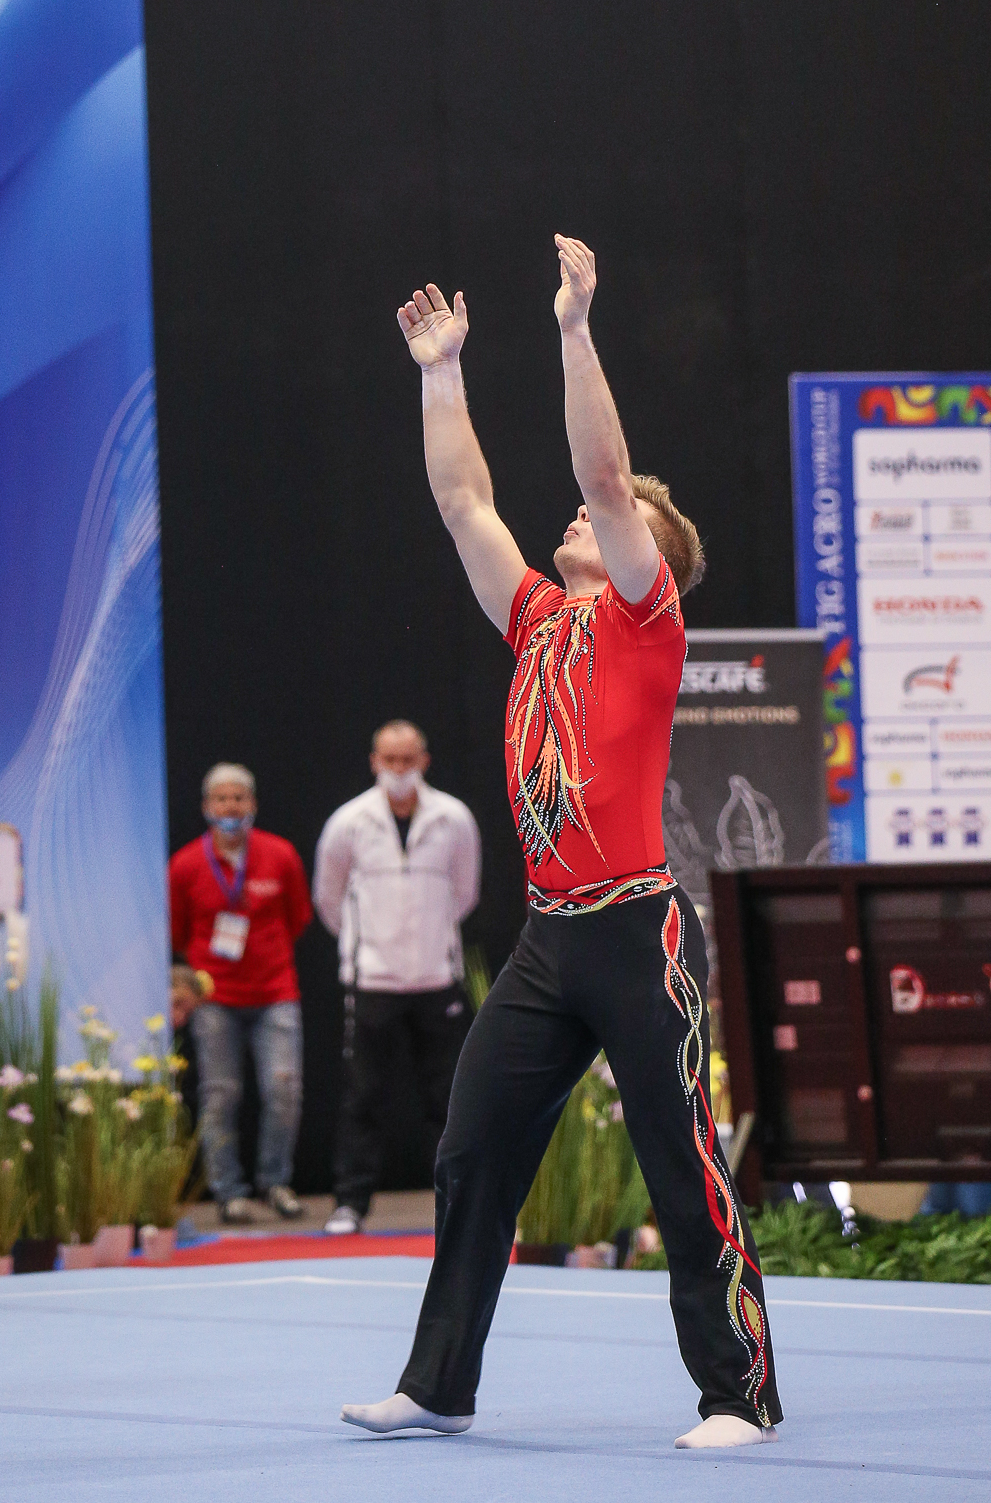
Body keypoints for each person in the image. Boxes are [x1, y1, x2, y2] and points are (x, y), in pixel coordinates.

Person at [340, 237, 782, 1448]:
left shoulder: (645, 618)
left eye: (611, 518)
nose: (580, 515)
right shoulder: (537, 617)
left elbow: (604, 472)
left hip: (638, 931)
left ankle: (737, 1392)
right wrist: (442, 375)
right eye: (588, 517)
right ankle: (439, 1385)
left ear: (652, 555)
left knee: (678, 1161)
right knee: (472, 1150)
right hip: (548, 941)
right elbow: (462, 503)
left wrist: (575, 330)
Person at [314, 721, 482, 1237]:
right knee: (362, 1097)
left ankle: (456, 1203)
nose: (399, 769)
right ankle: (350, 1203)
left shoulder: (453, 818)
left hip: (437, 979)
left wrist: (433, 941)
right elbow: (329, 897)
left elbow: (465, 893)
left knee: (448, 1099)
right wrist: (367, 946)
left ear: (424, 761)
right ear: (374, 762)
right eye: (390, 760)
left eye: (408, 760)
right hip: (374, 981)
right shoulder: (348, 822)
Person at [168, 762, 313, 1224]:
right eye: (221, 799)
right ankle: (228, 1192)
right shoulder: (186, 864)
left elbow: (299, 917)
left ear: (252, 804)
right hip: (215, 999)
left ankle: (275, 1183)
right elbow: (177, 932)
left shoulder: (280, 855)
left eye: (238, 798)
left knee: (283, 1090)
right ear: (206, 807)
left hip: (275, 992)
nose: (230, 807)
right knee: (220, 1095)